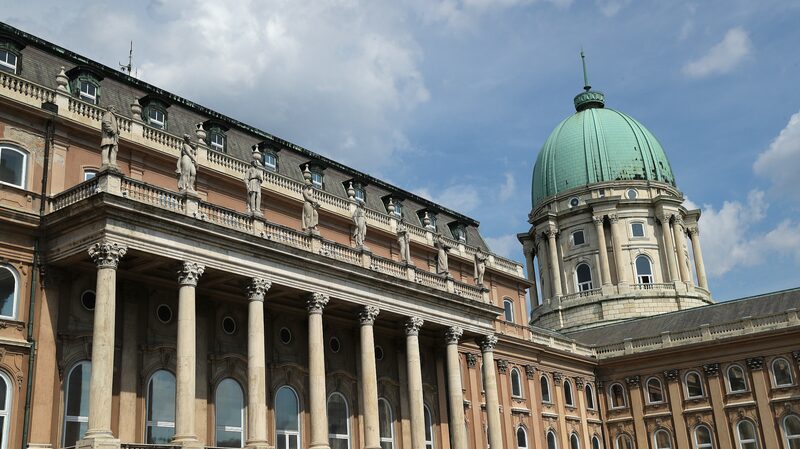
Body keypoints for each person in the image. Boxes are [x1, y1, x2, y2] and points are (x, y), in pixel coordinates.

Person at [245, 151, 265, 216]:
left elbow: (261, 179)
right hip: (252, 182)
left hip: (257, 183)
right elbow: (246, 178)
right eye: (255, 163)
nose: (256, 163)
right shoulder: (249, 170)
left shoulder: (258, 171)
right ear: (253, 163)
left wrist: (259, 178)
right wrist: (247, 186)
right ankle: (253, 209)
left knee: (258, 196)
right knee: (253, 196)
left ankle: (258, 209)